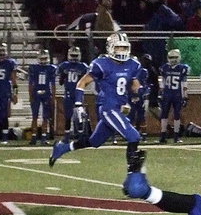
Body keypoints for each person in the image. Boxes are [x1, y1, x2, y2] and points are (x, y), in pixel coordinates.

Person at [49, 32, 142, 168]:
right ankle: (133, 171)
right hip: (108, 108)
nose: (121, 51)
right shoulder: (102, 64)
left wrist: (140, 92)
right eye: (118, 47)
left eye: (124, 47)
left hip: (120, 108)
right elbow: (82, 83)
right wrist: (78, 104)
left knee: (95, 141)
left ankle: (62, 148)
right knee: (134, 136)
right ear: (110, 48)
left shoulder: (133, 64)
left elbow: (135, 85)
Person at [57, 46, 89, 141]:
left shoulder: (83, 66)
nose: (74, 57)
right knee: (68, 116)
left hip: (78, 94)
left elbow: (86, 82)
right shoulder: (64, 65)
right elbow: (60, 82)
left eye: (75, 55)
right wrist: (63, 75)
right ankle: (67, 135)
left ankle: (80, 135)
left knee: (80, 115)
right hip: (68, 93)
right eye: (73, 55)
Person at [158, 49, 190, 144]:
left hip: (176, 94)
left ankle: (176, 135)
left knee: (177, 115)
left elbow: (184, 83)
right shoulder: (165, 67)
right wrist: (161, 93)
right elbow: (163, 81)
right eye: (171, 57)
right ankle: (163, 135)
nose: (173, 59)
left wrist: (185, 96)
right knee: (164, 114)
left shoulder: (182, 68)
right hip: (168, 94)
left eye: (175, 57)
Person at [27, 49, 57, 145]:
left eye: (45, 58)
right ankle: (34, 137)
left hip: (46, 93)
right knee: (34, 116)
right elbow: (31, 83)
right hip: (36, 92)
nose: (43, 60)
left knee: (45, 117)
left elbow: (53, 84)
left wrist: (53, 96)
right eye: (42, 58)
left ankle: (43, 137)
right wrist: (30, 95)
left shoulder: (51, 68)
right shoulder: (34, 68)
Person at [128, 62, 150, 143]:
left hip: (140, 97)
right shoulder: (129, 72)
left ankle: (143, 135)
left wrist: (145, 98)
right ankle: (133, 134)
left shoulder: (142, 72)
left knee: (141, 117)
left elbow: (145, 86)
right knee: (131, 117)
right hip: (131, 96)